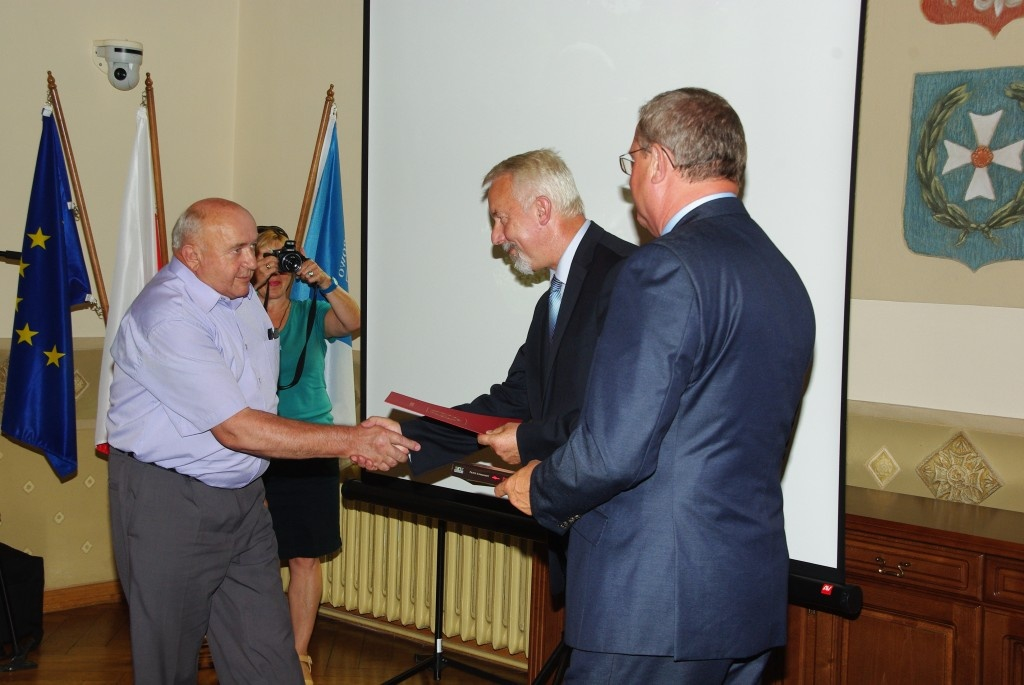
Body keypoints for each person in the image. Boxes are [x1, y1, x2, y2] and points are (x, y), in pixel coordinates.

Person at [496, 88, 816, 684]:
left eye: (632, 162)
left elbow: (616, 447)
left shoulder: (662, 267)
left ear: (659, 163)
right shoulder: (784, 277)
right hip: (745, 599)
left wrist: (541, 485)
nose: (631, 180)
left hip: (651, 606)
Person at [106, 198, 418, 685]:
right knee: (168, 662)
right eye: (238, 251)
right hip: (172, 502)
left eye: (254, 248)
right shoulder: (168, 317)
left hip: (246, 502)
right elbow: (237, 427)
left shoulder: (241, 298)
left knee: (269, 660)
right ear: (191, 256)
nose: (253, 263)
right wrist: (354, 439)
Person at [402, 149, 635, 603]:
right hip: (581, 533)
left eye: (501, 219)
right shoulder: (552, 299)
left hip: (621, 540)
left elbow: (620, 418)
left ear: (543, 209)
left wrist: (527, 441)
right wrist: (406, 438)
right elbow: (513, 401)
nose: (496, 237)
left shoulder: (626, 276)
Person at [251, 225, 359, 685]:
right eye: (262, 256)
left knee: (304, 558)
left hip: (311, 448)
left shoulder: (312, 313)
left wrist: (325, 282)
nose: (273, 267)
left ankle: (298, 655)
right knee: (249, 555)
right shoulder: (234, 317)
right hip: (252, 446)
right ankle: (255, 647)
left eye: (281, 257)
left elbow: (354, 322)